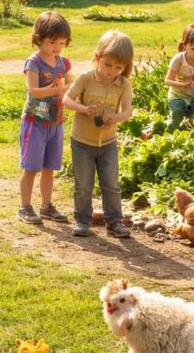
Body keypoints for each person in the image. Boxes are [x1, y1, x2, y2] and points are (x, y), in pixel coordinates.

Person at [63, 30, 134, 238]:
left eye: (118, 67)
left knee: (111, 184)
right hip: (82, 141)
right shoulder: (86, 78)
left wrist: (116, 117)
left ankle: (114, 222)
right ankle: (82, 220)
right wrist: (83, 109)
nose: (111, 71)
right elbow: (66, 100)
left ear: (125, 67)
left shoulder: (124, 85)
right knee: (83, 185)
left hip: (108, 143)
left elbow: (128, 111)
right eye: (107, 65)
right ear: (98, 58)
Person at [18, 11, 73, 225]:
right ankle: (24, 207)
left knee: (50, 167)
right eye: (53, 42)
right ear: (39, 38)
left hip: (56, 122)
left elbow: (71, 85)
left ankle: (46, 206)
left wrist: (67, 89)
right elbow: (32, 90)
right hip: (35, 122)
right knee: (31, 167)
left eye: (62, 42)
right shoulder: (34, 62)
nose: (57, 47)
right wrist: (54, 89)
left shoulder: (64, 62)